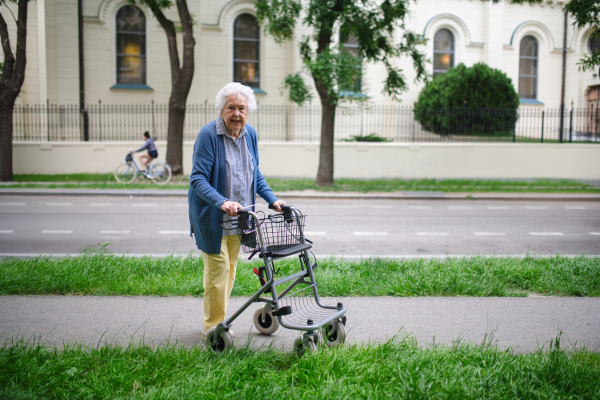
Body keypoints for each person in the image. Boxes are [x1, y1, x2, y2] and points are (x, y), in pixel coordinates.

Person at [188, 82, 286, 339]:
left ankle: (219, 320)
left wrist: (273, 200)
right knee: (217, 271)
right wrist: (222, 202)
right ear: (222, 109)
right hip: (213, 216)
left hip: (240, 217)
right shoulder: (209, 135)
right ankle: (213, 328)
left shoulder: (249, 134)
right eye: (231, 107)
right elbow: (198, 179)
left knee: (230, 269)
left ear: (248, 111)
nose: (236, 114)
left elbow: (256, 174)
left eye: (241, 108)